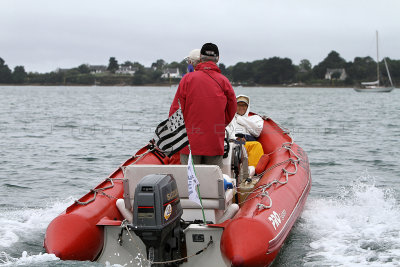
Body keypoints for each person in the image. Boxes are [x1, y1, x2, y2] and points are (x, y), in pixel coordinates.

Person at [169, 43, 237, 168]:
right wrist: (219, 124)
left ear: (201, 57)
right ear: (218, 58)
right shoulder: (224, 81)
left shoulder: (187, 79)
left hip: (189, 141)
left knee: (189, 182)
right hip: (214, 141)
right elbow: (232, 109)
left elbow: (175, 111)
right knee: (212, 182)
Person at [226, 95, 264, 167]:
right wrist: (236, 138)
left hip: (249, 142)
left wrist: (240, 119)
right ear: (235, 106)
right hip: (234, 142)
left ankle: (252, 169)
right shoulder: (230, 118)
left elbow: (257, 132)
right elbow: (227, 130)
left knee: (256, 145)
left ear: (247, 107)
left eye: (244, 105)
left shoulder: (255, 118)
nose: (241, 108)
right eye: (239, 105)